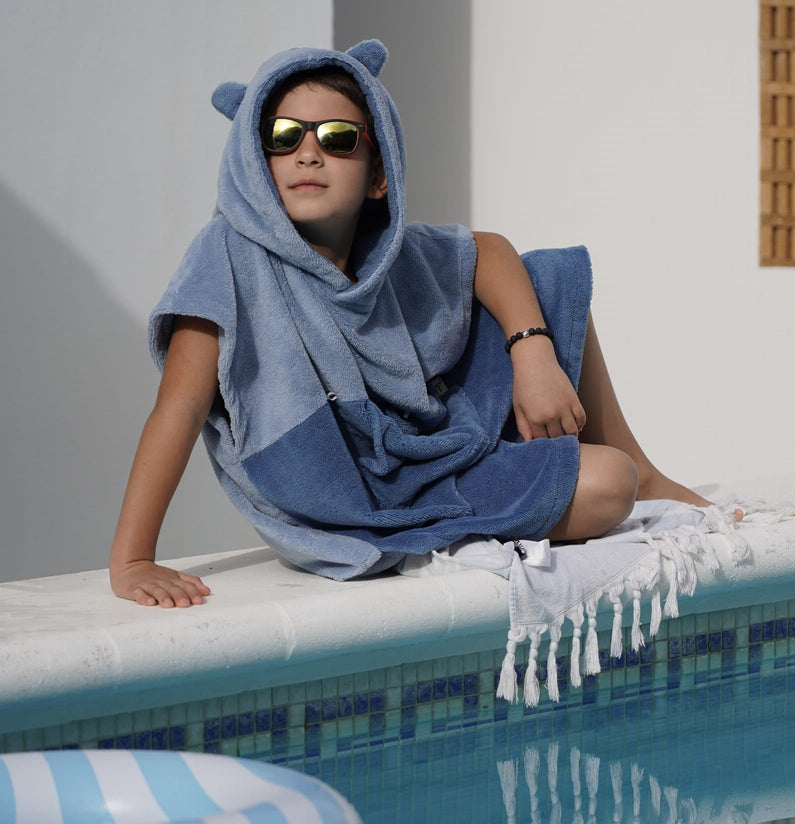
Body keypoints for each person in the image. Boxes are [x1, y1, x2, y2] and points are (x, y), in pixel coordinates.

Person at [110, 41, 733, 609]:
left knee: (553, 298)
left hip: (437, 456)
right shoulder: (227, 257)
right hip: (342, 494)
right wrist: (133, 559)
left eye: (337, 137)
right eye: (281, 136)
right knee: (607, 489)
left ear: (379, 175)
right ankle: (465, 521)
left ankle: (640, 465)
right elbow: (179, 408)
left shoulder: (394, 255)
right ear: (253, 161)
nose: (308, 152)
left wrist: (532, 354)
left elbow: (489, 250)